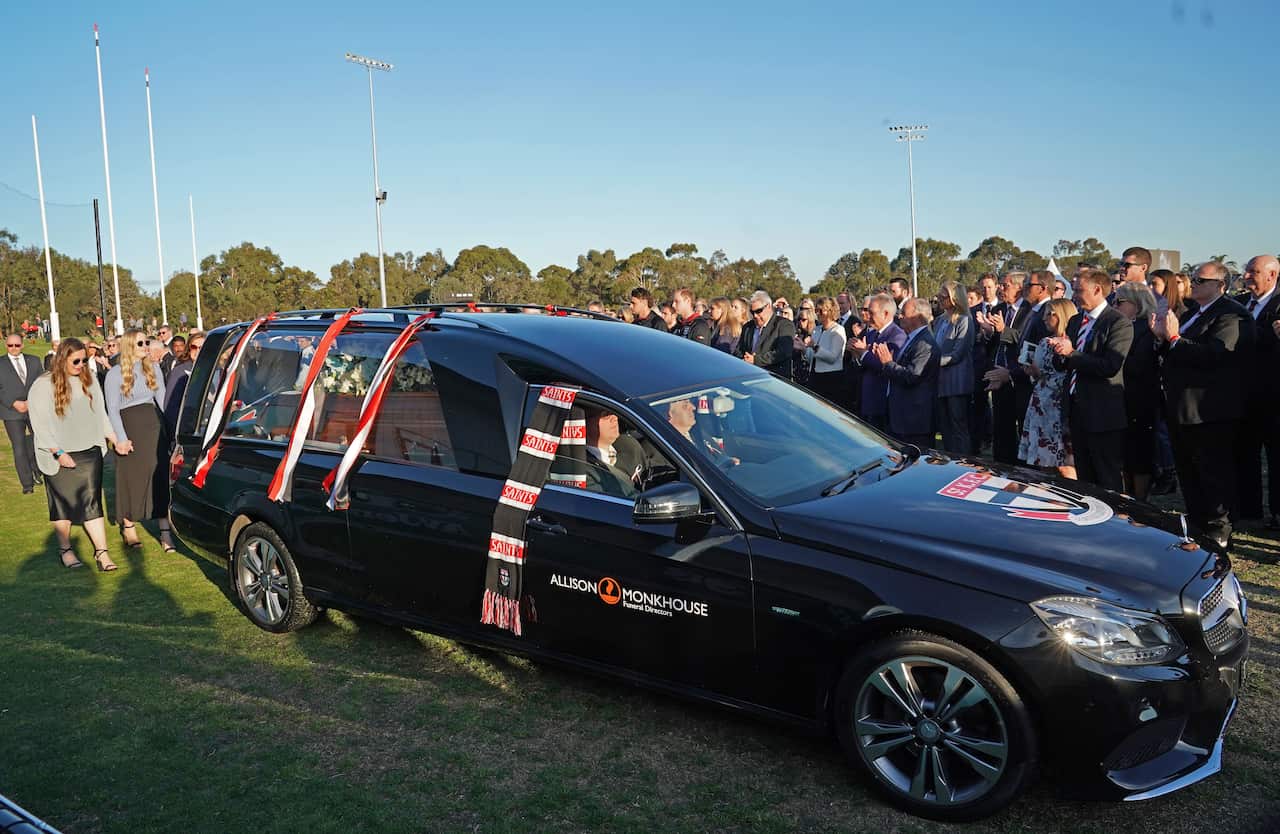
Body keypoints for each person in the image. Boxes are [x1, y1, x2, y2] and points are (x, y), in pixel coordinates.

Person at [1155, 261, 1254, 547]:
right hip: (1181, 406)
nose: (1194, 283)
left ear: (1220, 285)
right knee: (1189, 469)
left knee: (1212, 471)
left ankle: (1219, 529)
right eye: (1194, 279)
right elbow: (1176, 350)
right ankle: (1197, 521)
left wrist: (1173, 338)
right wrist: (1162, 338)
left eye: (1201, 280)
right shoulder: (1195, 313)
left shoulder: (1231, 315)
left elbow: (1216, 355)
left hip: (1209, 409)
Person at [27, 338, 120, 570]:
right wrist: (58, 452)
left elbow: (101, 414)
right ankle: (66, 550)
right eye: (76, 361)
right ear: (62, 359)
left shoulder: (90, 380)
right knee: (62, 505)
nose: (81, 365)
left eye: (84, 360)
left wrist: (114, 439)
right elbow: (39, 424)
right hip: (59, 455)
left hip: (89, 452)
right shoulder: (43, 385)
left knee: (92, 502)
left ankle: (102, 554)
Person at [1048, 269, 1133, 492]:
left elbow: (1110, 366)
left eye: (1078, 290)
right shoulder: (1076, 321)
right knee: (1084, 474)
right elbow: (1065, 364)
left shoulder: (1118, 323)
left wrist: (1072, 354)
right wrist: (1060, 353)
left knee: (1107, 475)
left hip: (1103, 412)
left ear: (1097, 289)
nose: (1074, 294)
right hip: (1077, 409)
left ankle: (1114, 519)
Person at [105, 330, 176, 552]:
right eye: (141, 343)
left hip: (153, 428)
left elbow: (162, 399)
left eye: (147, 342)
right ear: (129, 346)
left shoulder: (153, 368)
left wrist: (175, 428)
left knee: (159, 475)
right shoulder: (114, 374)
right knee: (131, 478)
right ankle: (129, 525)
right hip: (129, 428)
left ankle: (165, 532)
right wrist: (122, 439)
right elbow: (113, 410)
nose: (146, 346)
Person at [1234, 255, 1280, 527]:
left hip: (1274, 397)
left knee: (1276, 458)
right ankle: (1249, 510)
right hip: (1241, 396)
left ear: (1272, 276)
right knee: (1243, 454)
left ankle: (1277, 512)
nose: (1247, 276)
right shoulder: (1238, 304)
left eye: (1254, 272)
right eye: (1247, 271)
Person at [1018, 299, 1076, 479]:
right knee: (1058, 460)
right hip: (1047, 402)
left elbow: (1039, 371)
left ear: (1062, 316)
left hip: (1052, 403)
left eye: (1050, 314)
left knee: (1056, 461)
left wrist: (1032, 370)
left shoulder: (1053, 343)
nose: (1045, 318)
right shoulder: (1070, 343)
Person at [1113, 282, 1160, 500]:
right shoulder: (1122, 325)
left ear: (1137, 303)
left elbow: (1139, 364)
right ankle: (1127, 495)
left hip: (1139, 399)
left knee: (1138, 453)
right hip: (1120, 398)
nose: (1114, 306)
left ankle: (1140, 500)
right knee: (1124, 453)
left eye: (1119, 301)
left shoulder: (1146, 328)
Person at [873, 297, 940, 449]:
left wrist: (888, 363)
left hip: (914, 420)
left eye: (904, 313)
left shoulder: (924, 344)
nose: (900, 316)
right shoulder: (912, 339)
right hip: (902, 417)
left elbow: (911, 376)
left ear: (917, 317)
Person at [982, 273, 1033, 463]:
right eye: (1001, 285)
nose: (1001, 289)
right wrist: (988, 333)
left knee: (1022, 429)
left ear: (1019, 288)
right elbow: (994, 343)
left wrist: (1004, 330)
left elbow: (1026, 340)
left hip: (1020, 378)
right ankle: (1002, 469)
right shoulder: (998, 309)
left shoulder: (1030, 311)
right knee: (1002, 430)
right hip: (998, 376)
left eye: (1005, 285)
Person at [850, 294, 906, 431]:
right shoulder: (870, 334)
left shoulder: (896, 336)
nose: (867, 316)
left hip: (882, 401)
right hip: (868, 399)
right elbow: (863, 363)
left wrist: (863, 353)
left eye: (871, 312)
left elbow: (885, 365)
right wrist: (856, 354)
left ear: (885, 313)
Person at [932, 280, 974, 455]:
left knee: (958, 425)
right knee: (945, 426)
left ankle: (964, 461)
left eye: (944, 295)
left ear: (955, 298)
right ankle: (950, 459)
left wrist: (933, 362)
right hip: (941, 382)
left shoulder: (964, 321)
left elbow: (958, 354)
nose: (940, 298)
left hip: (957, 383)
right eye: (940, 294)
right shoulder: (940, 321)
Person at [1, 333, 45, 493]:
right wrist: (13, 403)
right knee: (19, 447)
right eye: (10, 345)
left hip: (33, 407)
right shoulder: (0, 363)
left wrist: (31, 402)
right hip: (11, 412)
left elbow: (41, 382)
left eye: (17, 345)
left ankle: (39, 470)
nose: (13, 348)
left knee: (40, 441)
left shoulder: (33, 361)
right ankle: (27, 484)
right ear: (6, 346)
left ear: (22, 345)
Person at [969, 274, 999, 454]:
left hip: (997, 365)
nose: (986, 290)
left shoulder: (1003, 310)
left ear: (996, 287)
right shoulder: (973, 312)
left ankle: (993, 438)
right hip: (978, 365)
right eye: (983, 287)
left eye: (989, 286)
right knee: (978, 405)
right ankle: (979, 441)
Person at [737, 290, 796, 378]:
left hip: (774, 379)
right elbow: (739, 350)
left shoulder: (784, 325)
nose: (755, 316)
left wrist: (756, 360)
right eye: (752, 312)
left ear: (768, 306)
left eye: (758, 311)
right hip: (749, 377)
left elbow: (783, 352)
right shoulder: (748, 327)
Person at [582, 408, 639, 498]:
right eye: (605, 415)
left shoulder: (630, 446)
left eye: (614, 412)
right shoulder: (582, 469)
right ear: (584, 422)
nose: (614, 418)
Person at [807, 297, 848, 407]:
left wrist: (814, 347)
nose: (818, 314)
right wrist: (803, 348)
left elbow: (832, 357)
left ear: (830, 312)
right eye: (816, 311)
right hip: (814, 376)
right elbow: (810, 357)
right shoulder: (816, 330)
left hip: (830, 379)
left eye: (820, 311)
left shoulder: (838, 330)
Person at [164, 333, 204, 434]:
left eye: (202, 347)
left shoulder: (215, 370)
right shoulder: (179, 372)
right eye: (194, 347)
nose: (198, 350)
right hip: (188, 432)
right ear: (189, 349)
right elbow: (170, 407)